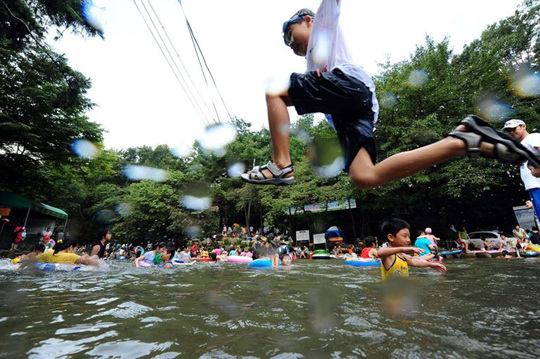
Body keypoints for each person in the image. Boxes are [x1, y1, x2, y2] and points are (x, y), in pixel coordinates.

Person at [241, 0, 540, 188]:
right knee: (364, 177)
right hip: (353, 112)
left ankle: (281, 164)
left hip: (351, 86)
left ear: (308, 21)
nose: (293, 46)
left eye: (292, 38)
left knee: (275, 91)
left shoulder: (323, 23)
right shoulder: (312, 65)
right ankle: (462, 141)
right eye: (289, 46)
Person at [377, 218, 446, 280]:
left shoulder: (401, 255)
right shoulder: (388, 256)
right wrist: (403, 249)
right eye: (405, 236)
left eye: (409, 237)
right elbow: (379, 253)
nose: (408, 240)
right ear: (391, 237)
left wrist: (431, 265)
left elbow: (414, 262)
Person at [503, 119, 540, 220]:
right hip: (533, 186)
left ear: (523, 126)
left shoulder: (532, 137)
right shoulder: (521, 145)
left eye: (513, 129)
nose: (511, 132)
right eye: (508, 130)